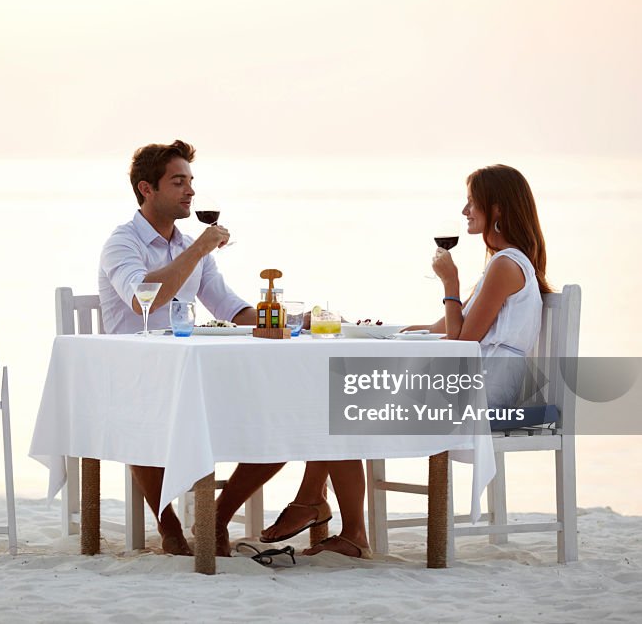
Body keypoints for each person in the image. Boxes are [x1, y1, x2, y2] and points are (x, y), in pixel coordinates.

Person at [261, 164, 552, 558]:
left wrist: (449, 284)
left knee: (342, 403)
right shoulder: (504, 263)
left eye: (472, 202)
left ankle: (324, 513)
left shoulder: (505, 265)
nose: (465, 211)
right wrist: (374, 330)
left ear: (496, 209)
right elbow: (444, 327)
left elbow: (462, 339)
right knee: (341, 399)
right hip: (476, 380)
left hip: (485, 390)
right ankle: (328, 515)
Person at [98, 139, 284, 556]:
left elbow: (229, 307)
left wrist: (284, 319)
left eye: (190, 181)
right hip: (137, 379)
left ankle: (215, 517)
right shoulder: (122, 243)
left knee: (279, 422)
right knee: (146, 418)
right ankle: (170, 530)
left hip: (196, 374)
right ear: (147, 189)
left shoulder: (188, 246)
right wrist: (201, 247)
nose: (190, 191)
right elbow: (142, 297)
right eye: (178, 182)